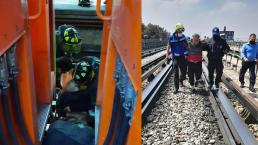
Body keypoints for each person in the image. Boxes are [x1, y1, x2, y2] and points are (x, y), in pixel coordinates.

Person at [167, 23, 188, 94]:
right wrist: (167, 55)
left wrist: (186, 53)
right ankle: (176, 88)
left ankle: (181, 79)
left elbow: (186, 45)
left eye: (182, 32)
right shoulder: (171, 38)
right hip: (175, 57)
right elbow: (168, 46)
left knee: (184, 72)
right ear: (176, 31)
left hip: (182, 57)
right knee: (176, 73)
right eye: (180, 31)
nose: (181, 33)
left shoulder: (183, 36)